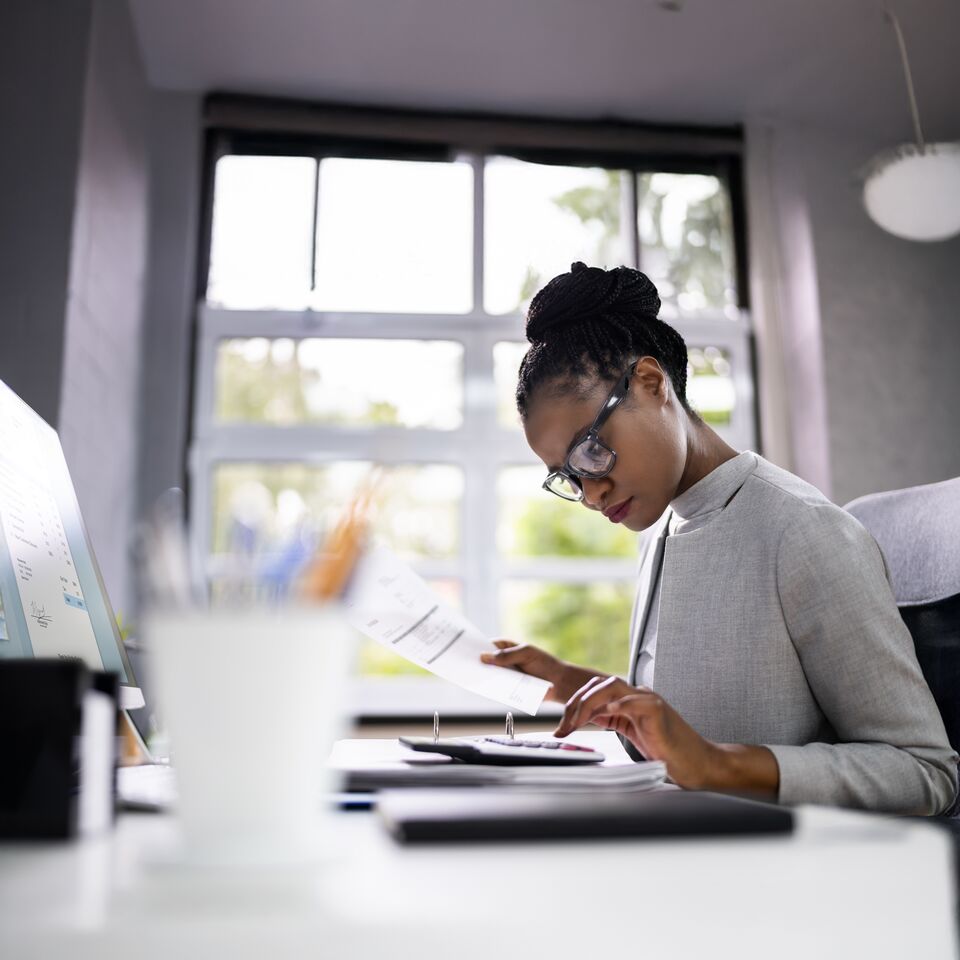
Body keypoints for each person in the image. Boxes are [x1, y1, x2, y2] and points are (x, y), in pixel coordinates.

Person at [481, 262, 957, 815]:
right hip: (680, 848)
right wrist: (570, 681)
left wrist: (716, 765)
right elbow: (687, 725)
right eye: (569, 475)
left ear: (651, 383)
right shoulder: (661, 526)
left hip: (769, 876)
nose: (590, 494)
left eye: (590, 451)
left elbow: (926, 772)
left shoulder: (803, 531)